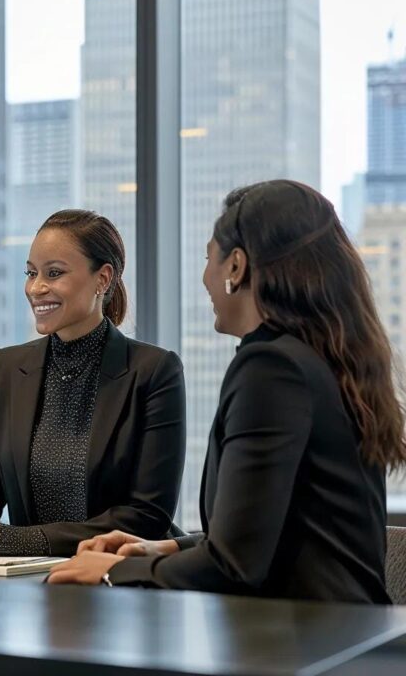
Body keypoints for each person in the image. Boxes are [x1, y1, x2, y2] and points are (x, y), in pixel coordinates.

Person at [48, 181, 406, 603]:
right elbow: (274, 534)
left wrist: (116, 570)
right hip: (341, 639)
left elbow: (235, 566)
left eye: (207, 257)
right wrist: (163, 548)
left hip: (301, 646)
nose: (205, 278)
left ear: (236, 267)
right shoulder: (320, 357)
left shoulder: (271, 369)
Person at [0, 209, 186, 557]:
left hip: (121, 585)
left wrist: (16, 540)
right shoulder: (6, 368)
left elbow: (146, 517)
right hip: (33, 591)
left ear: (102, 279)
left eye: (54, 273)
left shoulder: (154, 372)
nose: (36, 288)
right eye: (31, 273)